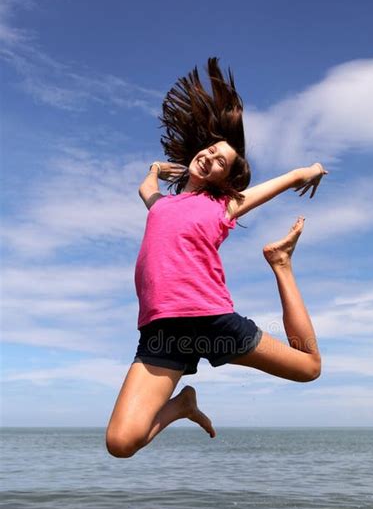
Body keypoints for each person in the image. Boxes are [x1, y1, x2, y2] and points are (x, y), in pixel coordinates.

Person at [106, 58, 327, 458]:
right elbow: (145, 187)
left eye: (220, 161)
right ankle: (183, 405)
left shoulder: (223, 206)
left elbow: (289, 178)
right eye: (210, 150)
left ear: (223, 179)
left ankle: (281, 264)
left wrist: (311, 170)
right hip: (161, 331)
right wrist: (155, 168)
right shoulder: (160, 206)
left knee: (309, 367)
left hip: (211, 320)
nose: (210, 157)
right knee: (121, 444)